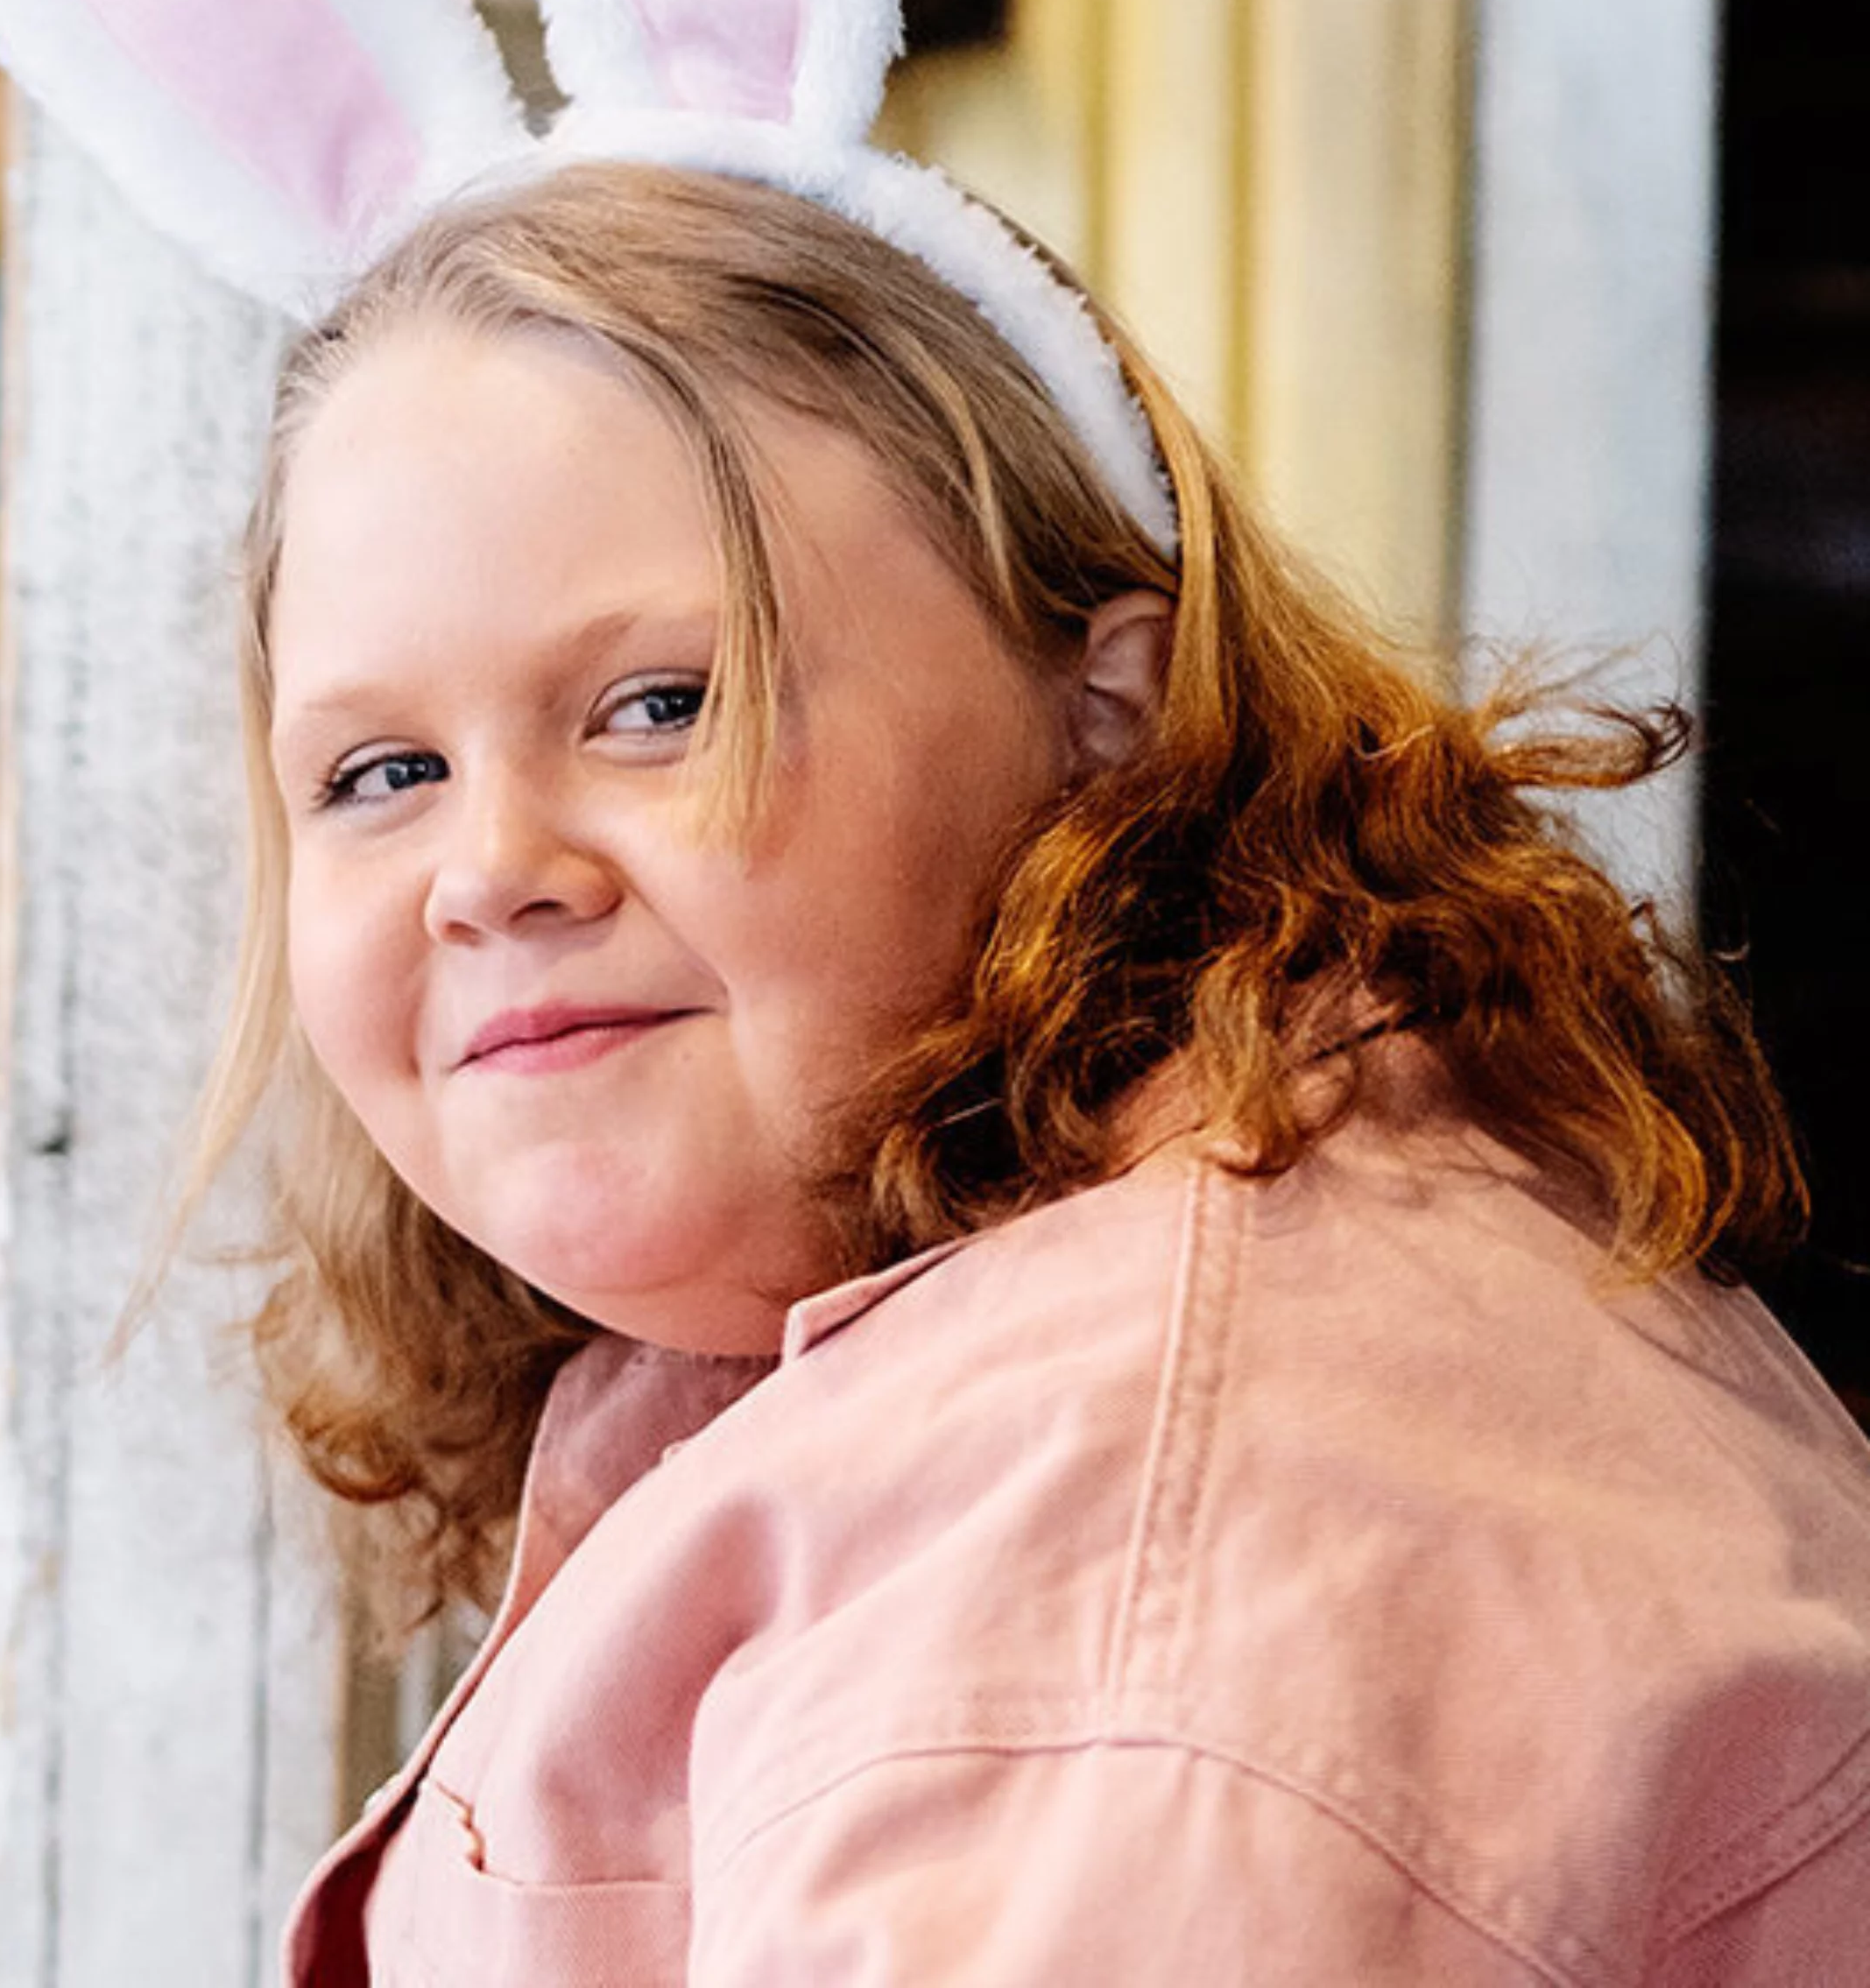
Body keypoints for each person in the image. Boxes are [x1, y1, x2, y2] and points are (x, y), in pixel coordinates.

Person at [182, 161, 1870, 1984]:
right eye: (381, 774)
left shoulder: (1136, 1573)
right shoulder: (1056, 1290)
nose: (491, 868)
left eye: (665, 704)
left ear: (1107, 711)